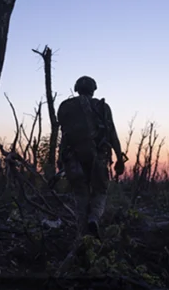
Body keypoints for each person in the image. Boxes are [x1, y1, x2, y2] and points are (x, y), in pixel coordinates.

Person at [56, 75, 126, 238]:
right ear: (93, 90)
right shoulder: (102, 107)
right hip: (98, 158)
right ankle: (94, 218)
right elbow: (112, 135)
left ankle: (82, 232)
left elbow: (64, 136)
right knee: (100, 191)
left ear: (76, 89)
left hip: (73, 158)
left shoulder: (65, 107)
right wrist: (120, 159)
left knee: (80, 193)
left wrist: (60, 158)